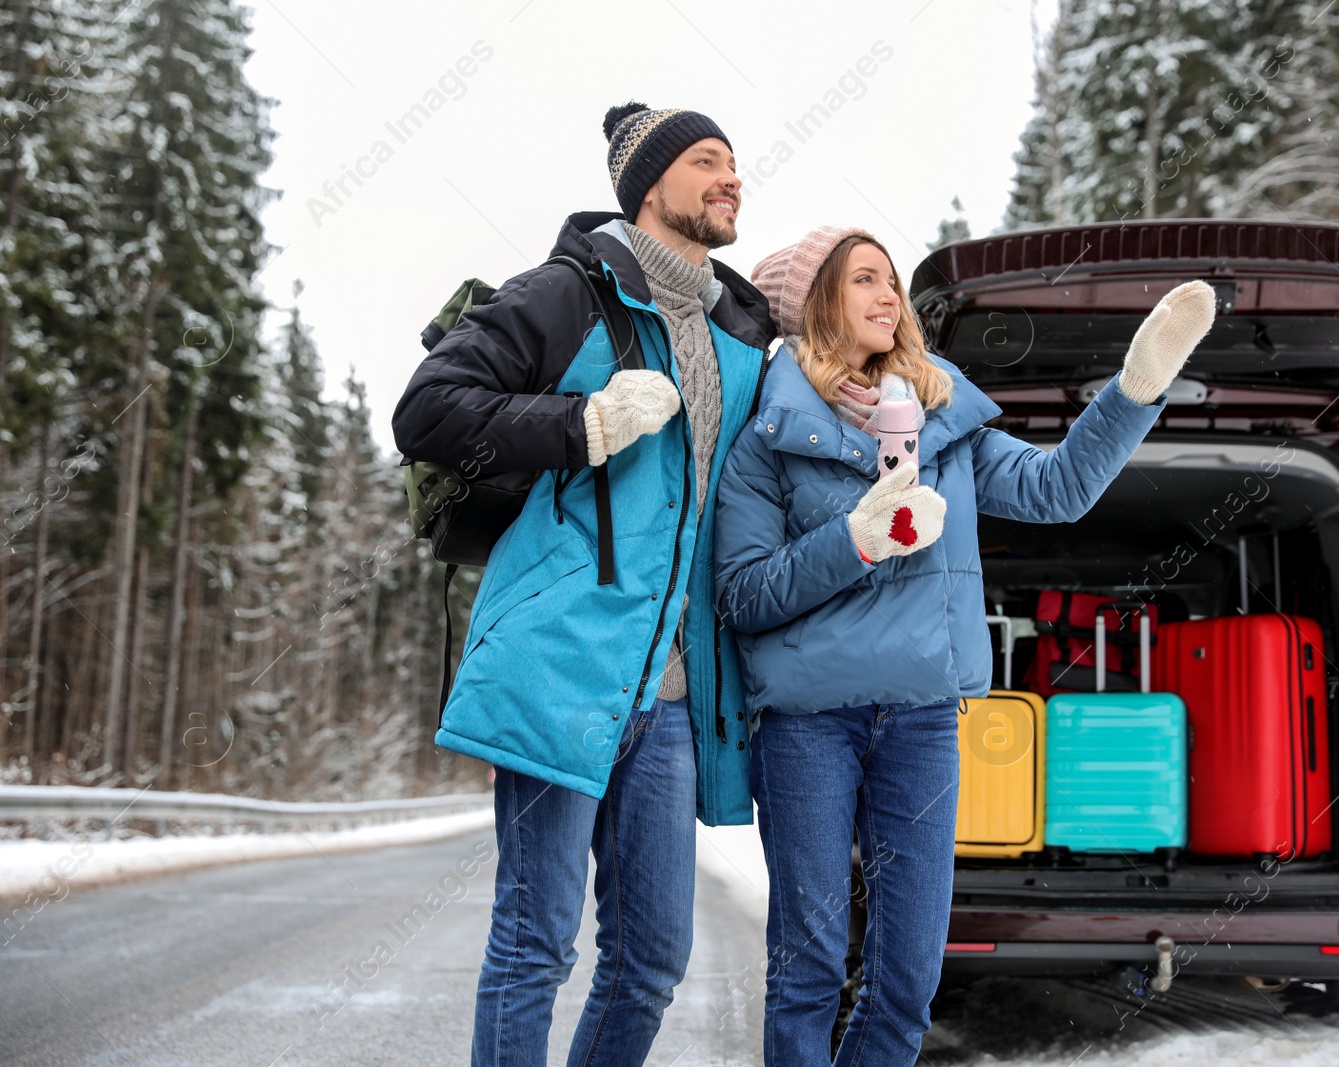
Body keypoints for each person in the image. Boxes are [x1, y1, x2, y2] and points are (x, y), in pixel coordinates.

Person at [713, 226, 1215, 1066]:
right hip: (807, 727)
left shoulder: (945, 417)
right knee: (807, 963)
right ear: (813, 309)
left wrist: (1136, 389)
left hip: (920, 720)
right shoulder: (765, 441)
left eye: (892, 281)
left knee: (907, 972)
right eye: (863, 279)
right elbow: (744, 593)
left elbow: (1059, 489)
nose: (888, 296)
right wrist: (858, 539)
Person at [392, 102, 775, 1067]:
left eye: (736, 162)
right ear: (650, 186)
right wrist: (583, 425)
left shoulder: (737, 332)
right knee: (535, 942)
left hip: (673, 695)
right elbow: (428, 409)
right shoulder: (569, 294)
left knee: (652, 955)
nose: (732, 176)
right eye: (706, 160)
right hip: (561, 660)